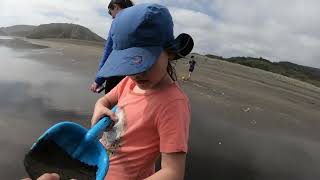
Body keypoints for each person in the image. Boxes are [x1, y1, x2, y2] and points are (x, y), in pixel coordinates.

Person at [92, 3, 191, 180]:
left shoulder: (173, 104)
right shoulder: (128, 83)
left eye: (143, 62)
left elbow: (173, 173)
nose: (137, 73)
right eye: (129, 64)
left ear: (168, 52)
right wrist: (99, 108)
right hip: (95, 166)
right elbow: (104, 101)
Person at [90, 0, 134, 94]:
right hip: (140, 76)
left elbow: (108, 52)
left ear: (116, 6)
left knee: (111, 105)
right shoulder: (140, 20)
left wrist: (99, 80)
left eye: (111, 13)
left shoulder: (118, 23)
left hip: (118, 74)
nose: (112, 17)